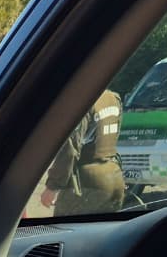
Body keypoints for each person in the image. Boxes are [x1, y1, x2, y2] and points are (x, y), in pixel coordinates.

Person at [41, 87, 125, 215]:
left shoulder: (82, 100)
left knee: (65, 230)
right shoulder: (113, 98)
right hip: (114, 175)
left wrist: (53, 186)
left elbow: (71, 148)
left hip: (88, 182)